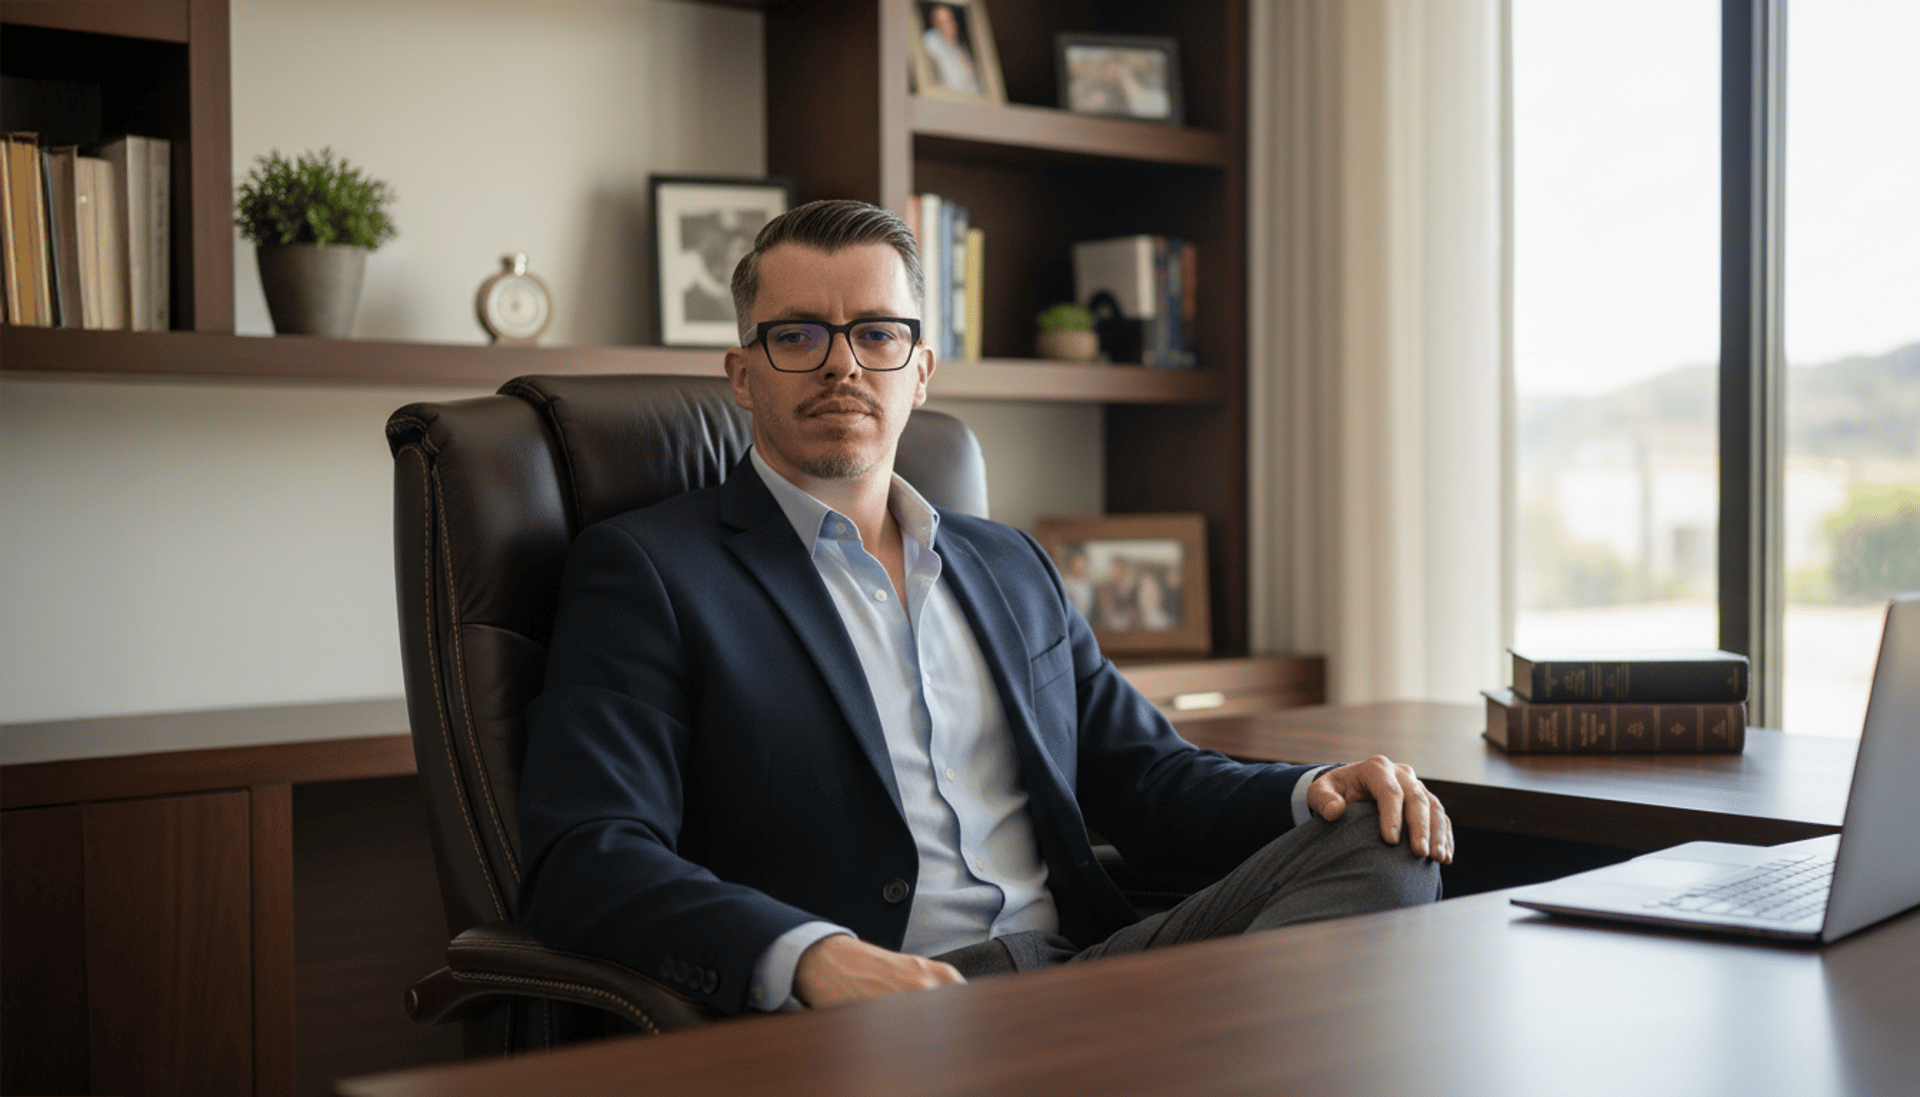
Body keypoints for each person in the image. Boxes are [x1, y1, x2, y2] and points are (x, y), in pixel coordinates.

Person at [517, 199, 1451, 1018]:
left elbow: (1147, 776)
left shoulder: (1008, 561)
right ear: (742, 374)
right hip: (882, 1009)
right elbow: (588, 852)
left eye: (877, 333)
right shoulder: (648, 570)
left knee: (1381, 840)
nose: (840, 365)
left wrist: (1317, 787)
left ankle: (1176, 1052)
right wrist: (813, 957)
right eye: (796, 335)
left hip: (1086, 973)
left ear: (919, 369)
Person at [921, 3, 981, 94]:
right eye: (941, 22)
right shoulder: (931, 40)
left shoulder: (960, 47)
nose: (946, 26)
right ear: (934, 24)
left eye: (949, 20)